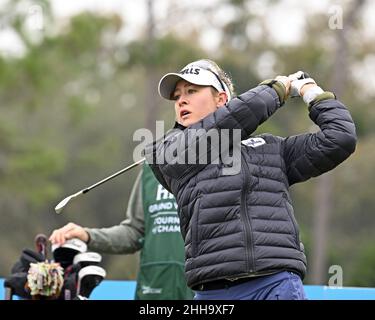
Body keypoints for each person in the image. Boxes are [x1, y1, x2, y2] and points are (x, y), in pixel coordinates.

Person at [144, 59, 357, 300]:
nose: (181, 100)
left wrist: (311, 91)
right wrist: (277, 88)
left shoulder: (271, 148)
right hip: (213, 293)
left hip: (275, 284)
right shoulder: (170, 151)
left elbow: (339, 138)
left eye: (192, 91)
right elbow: (232, 121)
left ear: (221, 99)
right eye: (177, 96)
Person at [49, 162, 194, 300]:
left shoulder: (213, 166)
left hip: (200, 288)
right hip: (154, 288)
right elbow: (134, 233)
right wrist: (87, 236)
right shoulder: (152, 170)